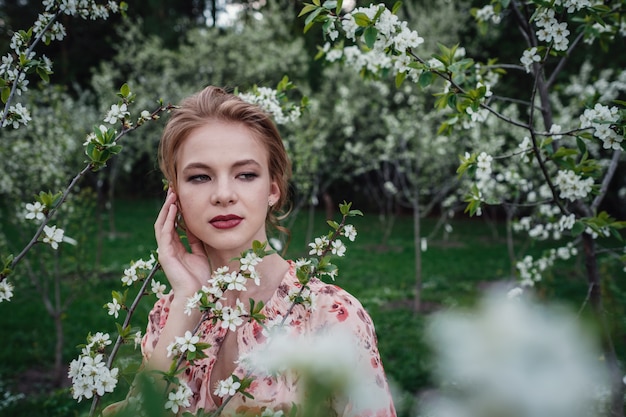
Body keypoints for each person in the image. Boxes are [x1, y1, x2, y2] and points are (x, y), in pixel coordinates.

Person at [105, 86, 396, 416]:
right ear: (176, 197)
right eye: (200, 177)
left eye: (245, 174)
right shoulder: (168, 316)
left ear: (272, 190)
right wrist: (188, 298)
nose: (224, 194)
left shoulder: (329, 315)